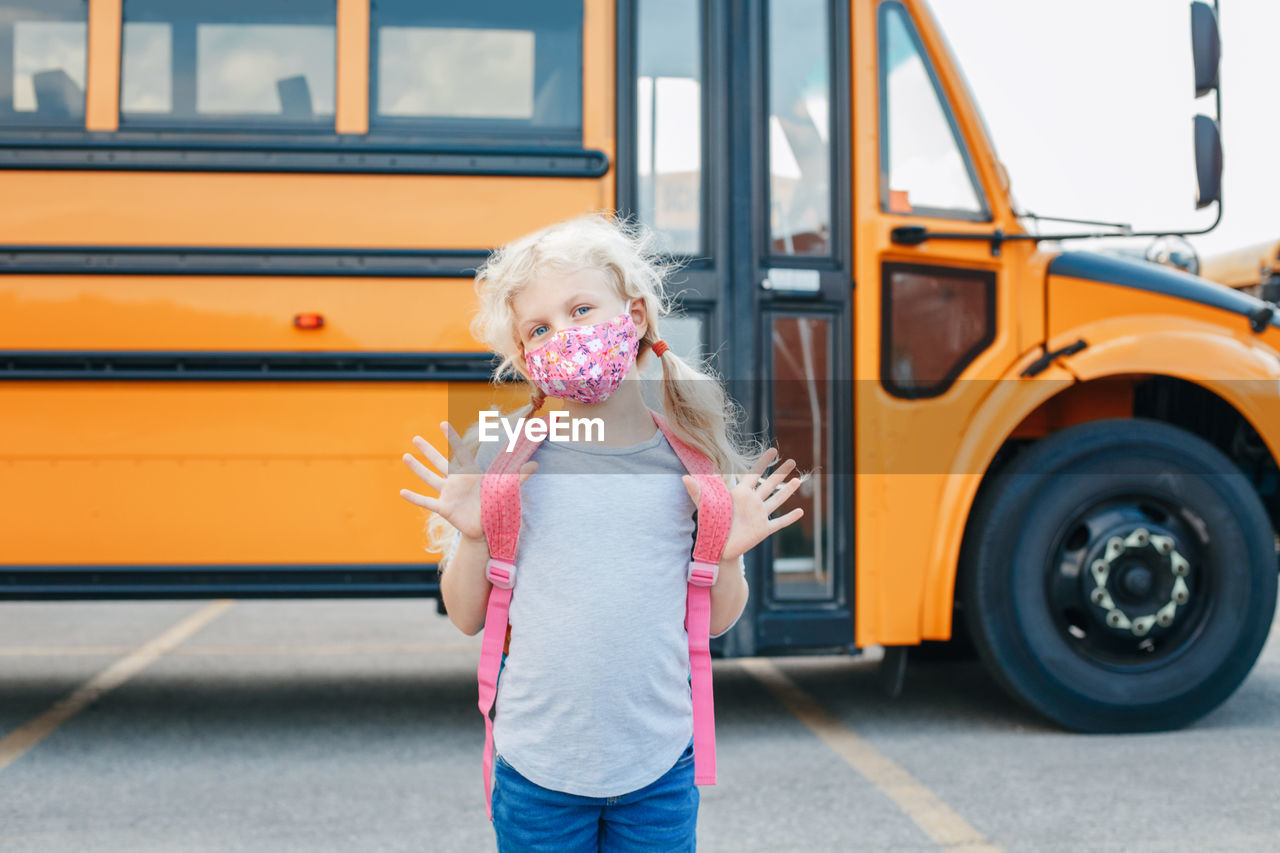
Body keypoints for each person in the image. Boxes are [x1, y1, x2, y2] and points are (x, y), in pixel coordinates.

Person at [398, 211, 805, 852]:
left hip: (659, 768)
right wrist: (475, 537)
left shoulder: (690, 459)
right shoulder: (508, 457)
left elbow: (719, 620)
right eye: (540, 328)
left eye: (581, 309)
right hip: (537, 772)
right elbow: (467, 616)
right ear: (527, 359)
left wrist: (723, 557)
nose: (565, 334)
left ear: (635, 316)